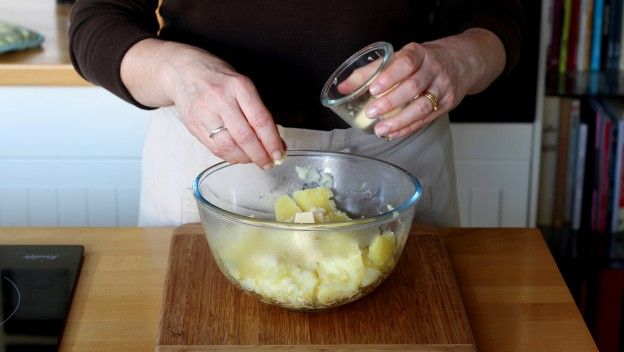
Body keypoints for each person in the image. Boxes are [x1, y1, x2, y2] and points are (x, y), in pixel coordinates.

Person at [68, 0, 523, 227]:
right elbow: (97, 21)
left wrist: (462, 58)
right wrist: (176, 72)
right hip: (215, 153)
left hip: (397, 153)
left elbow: (498, 15)